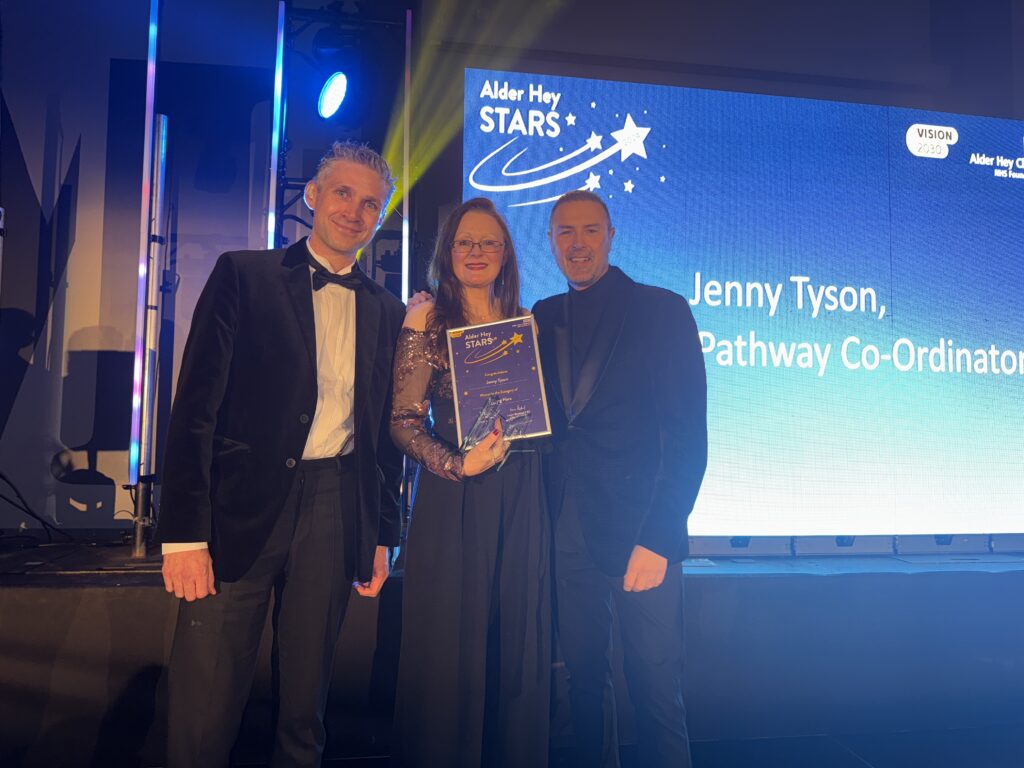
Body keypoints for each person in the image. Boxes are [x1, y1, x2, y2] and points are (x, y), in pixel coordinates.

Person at [156, 141, 406, 768]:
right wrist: (183, 533)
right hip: (238, 510)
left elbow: (381, 435)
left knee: (304, 712)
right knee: (203, 706)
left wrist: (382, 533)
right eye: (343, 194)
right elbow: (194, 409)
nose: (355, 210)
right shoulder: (243, 274)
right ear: (313, 197)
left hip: (336, 505)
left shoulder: (388, 310)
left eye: (370, 203)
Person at [532, 190, 707, 767]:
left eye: (589, 230)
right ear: (551, 241)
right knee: (583, 687)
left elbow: (688, 439)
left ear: (611, 235)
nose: (577, 243)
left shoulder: (662, 310)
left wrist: (659, 537)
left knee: (657, 691)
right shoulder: (542, 315)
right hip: (567, 532)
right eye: (565, 232)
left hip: (642, 537)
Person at [390, 197, 550, 767]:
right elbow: (403, 423)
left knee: (516, 646)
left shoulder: (527, 321)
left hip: (522, 497)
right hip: (455, 496)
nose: (476, 252)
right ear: (447, 253)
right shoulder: (427, 320)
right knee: (450, 652)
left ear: (506, 253)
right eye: (465, 242)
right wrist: (458, 464)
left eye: (488, 242)